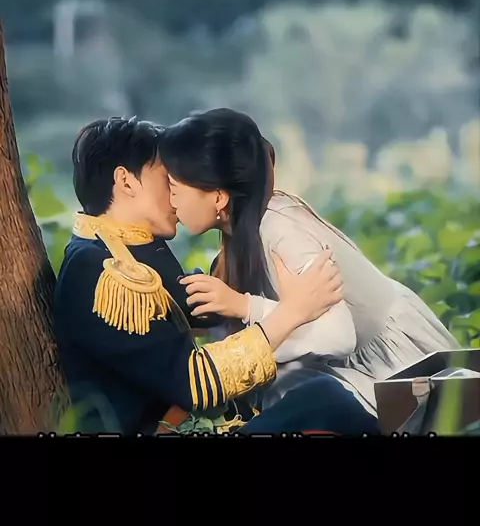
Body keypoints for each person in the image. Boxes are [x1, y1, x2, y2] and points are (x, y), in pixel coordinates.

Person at [53, 116, 380, 436]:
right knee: (324, 397)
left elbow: (196, 307)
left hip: (200, 422)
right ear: (126, 182)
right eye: (168, 179)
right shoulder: (100, 272)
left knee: (315, 389)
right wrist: (291, 313)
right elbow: (195, 382)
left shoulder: (125, 247)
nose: (175, 194)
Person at [158, 108, 460, 415]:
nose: (170, 200)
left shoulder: (281, 229)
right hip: (349, 370)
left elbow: (338, 335)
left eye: (174, 188)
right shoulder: (239, 236)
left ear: (218, 197)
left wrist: (244, 306)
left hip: (397, 368)